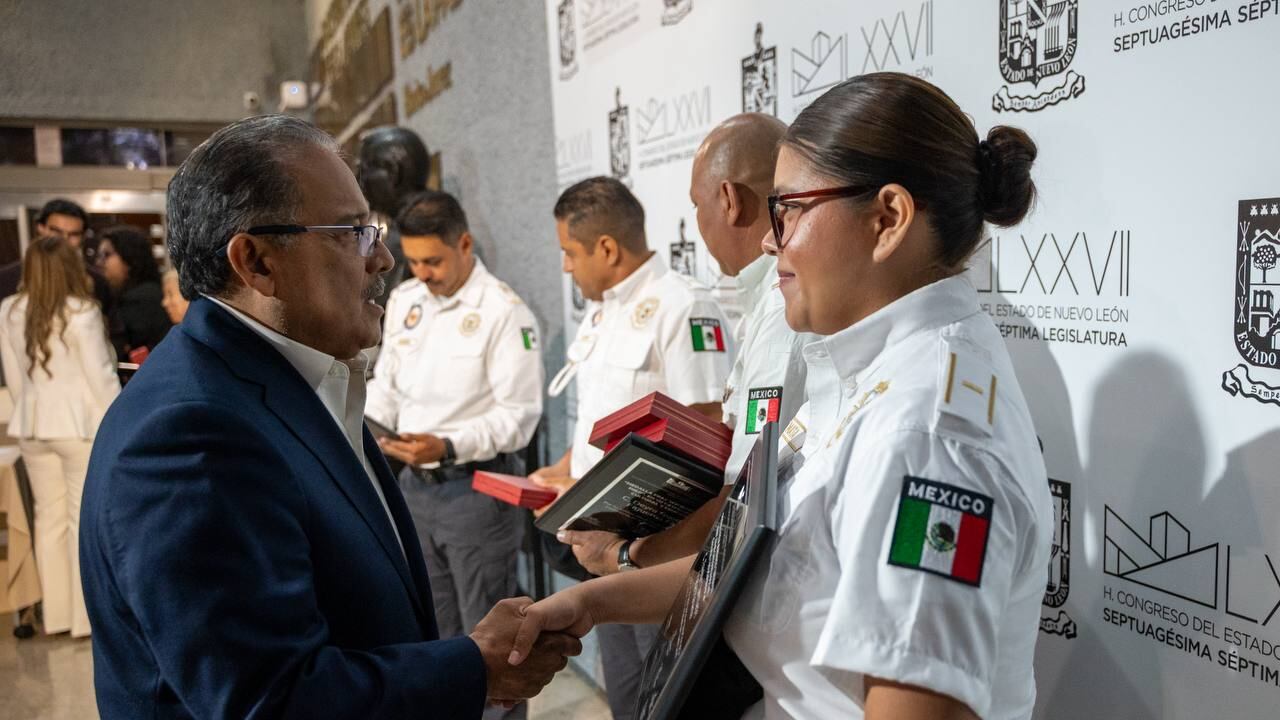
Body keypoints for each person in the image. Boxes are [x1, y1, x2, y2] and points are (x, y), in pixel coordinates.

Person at [512, 72, 1053, 720]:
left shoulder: (923, 434)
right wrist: (592, 602)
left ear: (887, 219)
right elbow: (766, 570)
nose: (770, 240)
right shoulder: (864, 371)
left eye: (789, 209)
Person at [79, 115, 578, 719]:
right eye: (353, 232)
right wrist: (474, 665)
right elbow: (274, 700)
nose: (384, 260)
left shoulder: (295, 379)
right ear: (257, 262)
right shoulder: (189, 432)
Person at [560, 113, 814, 577]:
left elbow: (741, 494)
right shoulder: (766, 303)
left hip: (697, 556)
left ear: (729, 200)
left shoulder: (780, 311)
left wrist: (626, 557)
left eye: (697, 205)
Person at [532, 176, 731, 720]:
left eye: (570, 254)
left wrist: (635, 540)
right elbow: (601, 421)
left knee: (666, 696)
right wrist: (563, 473)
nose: (567, 268)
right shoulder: (602, 312)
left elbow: (707, 437)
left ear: (606, 248)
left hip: (656, 548)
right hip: (601, 543)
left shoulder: (683, 306)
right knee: (626, 694)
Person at [367, 191, 544, 720]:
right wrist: (366, 428)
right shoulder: (406, 301)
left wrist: (448, 444)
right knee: (435, 637)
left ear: (465, 244)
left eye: (433, 261)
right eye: (414, 261)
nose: (421, 272)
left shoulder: (505, 313)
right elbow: (387, 384)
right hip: (413, 491)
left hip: (478, 493)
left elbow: (519, 416)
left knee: (492, 646)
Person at [0, 236, 120, 638]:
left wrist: (29, 411)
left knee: (46, 522)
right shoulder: (82, 311)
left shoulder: (9, 310)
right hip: (77, 427)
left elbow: (14, 378)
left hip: (33, 424)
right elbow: (101, 378)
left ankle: (58, 617)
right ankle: (85, 621)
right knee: (79, 521)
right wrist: (118, 426)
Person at [356, 126, 432, 307]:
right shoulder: (389, 230)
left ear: (393, 172)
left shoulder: (427, 236)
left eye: (363, 171)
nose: (360, 181)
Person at [34, 198, 121, 343]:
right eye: (56, 231)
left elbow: (114, 334)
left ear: (83, 236)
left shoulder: (98, 282)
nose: (64, 240)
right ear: (41, 228)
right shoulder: (8, 280)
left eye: (74, 234)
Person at [97, 225, 172, 357]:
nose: (99, 262)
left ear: (129, 257)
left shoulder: (140, 299)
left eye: (106, 255)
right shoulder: (148, 291)